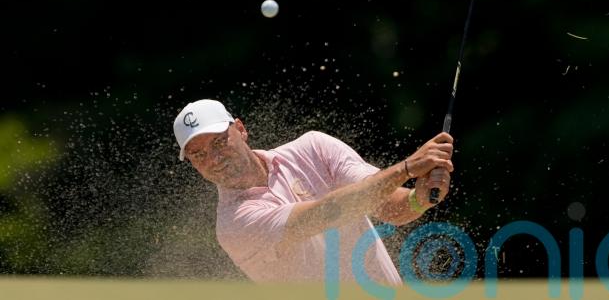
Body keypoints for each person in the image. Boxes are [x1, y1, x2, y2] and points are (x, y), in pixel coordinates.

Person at [173, 99, 454, 285]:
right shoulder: (235, 224)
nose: (214, 159)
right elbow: (328, 212)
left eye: (219, 142)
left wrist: (419, 199)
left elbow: (390, 208)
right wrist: (406, 169)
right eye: (199, 154)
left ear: (241, 129)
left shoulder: (314, 148)